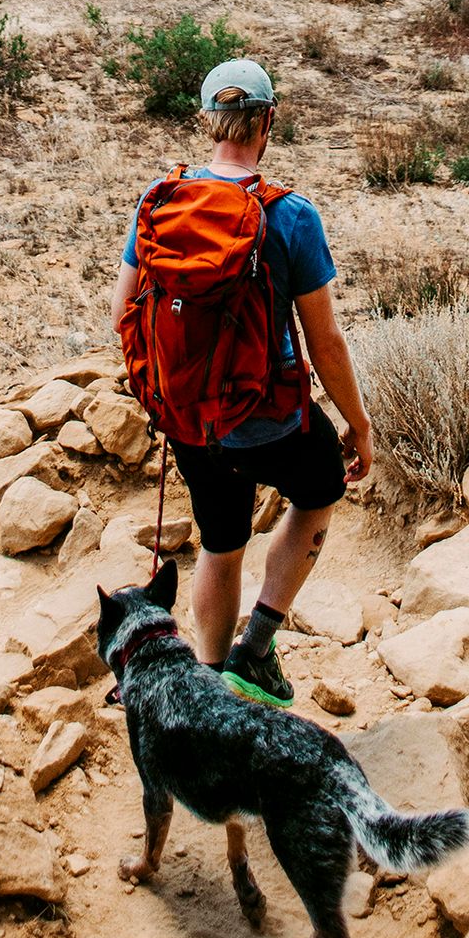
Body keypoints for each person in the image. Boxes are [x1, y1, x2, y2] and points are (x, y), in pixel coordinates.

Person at [112, 56, 374, 709]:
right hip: (269, 415)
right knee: (320, 489)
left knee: (221, 541)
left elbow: (123, 314)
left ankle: (209, 686)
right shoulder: (291, 214)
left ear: (208, 122)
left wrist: (168, 392)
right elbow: (326, 342)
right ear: (268, 121)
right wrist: (358, 423)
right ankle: (254, 649)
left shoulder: (158, 200)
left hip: (191, 420)